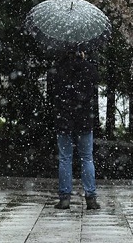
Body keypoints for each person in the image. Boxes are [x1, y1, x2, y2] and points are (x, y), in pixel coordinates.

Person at [47, 49, 100, 210]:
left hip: (64, 119)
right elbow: (93, 94)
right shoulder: (90, 68)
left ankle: (65, 198)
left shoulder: (57, 69)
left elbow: (51, 95)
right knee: (87, 158)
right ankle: (90, 197)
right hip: (84, 119)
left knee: (65, 158)